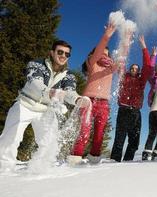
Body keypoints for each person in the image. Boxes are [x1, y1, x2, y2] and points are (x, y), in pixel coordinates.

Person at [0, 40, 90, 172]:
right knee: (11, 138)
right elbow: (34, 83)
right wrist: (50, 92)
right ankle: (3, 169)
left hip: (46, 110)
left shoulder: (69, 75)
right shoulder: (36, 64)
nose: (63, 56)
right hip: (25, 104)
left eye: (67, 54)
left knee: (49, 144)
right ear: (52, 53)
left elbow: (69, 91)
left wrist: (77, 100)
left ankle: (40, 170)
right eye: (60, 52)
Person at [68, 23, 132, 165]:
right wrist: (107, 36)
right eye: (102, 53)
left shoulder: (110, 69)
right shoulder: (92, 64)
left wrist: (126, 40)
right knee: (84, 130)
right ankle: (75, 159)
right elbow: (98, 52)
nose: (104, 56)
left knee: (99, 135)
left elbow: (121, 57)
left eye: (107, 55)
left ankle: (94, 160)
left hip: (104, 104)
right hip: (88, 102)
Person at [110, 36, 153, 162]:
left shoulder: (141, 81)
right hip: (123, 110)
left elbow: (148, 66)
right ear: (129, 70)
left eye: (136, 69)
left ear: (139, 71)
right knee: (119, 139)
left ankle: (127, 163)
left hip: (135, 112)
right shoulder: (124, 77)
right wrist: (126, 43)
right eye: (132, 68)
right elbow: (122, 60)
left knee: (134, 141)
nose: (134, 70)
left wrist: (143, 47)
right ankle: (114, 161)